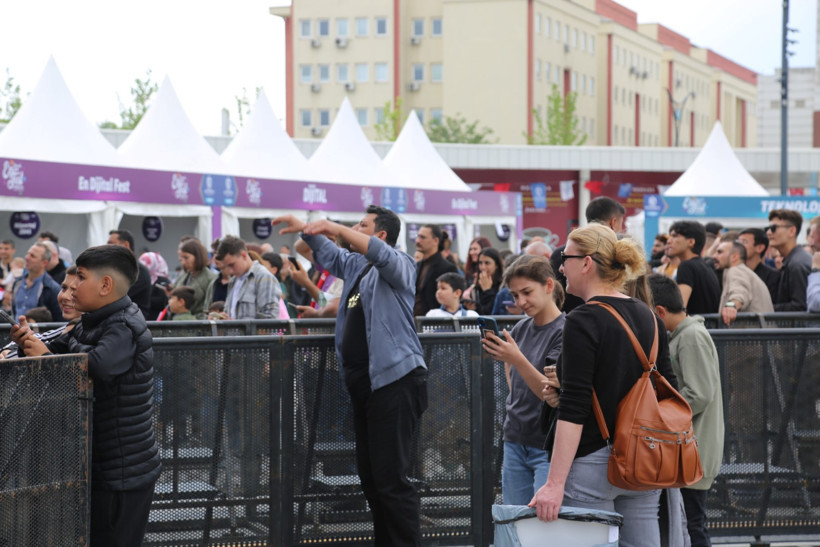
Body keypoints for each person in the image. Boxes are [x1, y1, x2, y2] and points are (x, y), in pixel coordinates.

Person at [273, 207, 428, 546]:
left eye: (363, 225)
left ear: (381, 234)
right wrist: (309, 230)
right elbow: (327, 253)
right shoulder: (357, 266)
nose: (354, 229)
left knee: (391, 480)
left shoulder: (400, 264)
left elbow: (376, 251)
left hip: (396, 383)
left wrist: (332, 226)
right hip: (366, 387)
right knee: (371, 478)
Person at [531, 223, 678, 547]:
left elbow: (575, 407)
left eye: (566, 257)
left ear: (586, 263)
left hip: (593, 459)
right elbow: (668, 387)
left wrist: (554, 483)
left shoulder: (584, 319)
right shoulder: (649, 316)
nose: (560, 266)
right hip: (645, 456)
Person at [11, 245, 161, 546]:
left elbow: (98, 365)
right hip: (100, 465)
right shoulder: (93, 320)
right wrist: (28, 346)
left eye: (80, 277)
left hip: (123, 473)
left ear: (105, 285)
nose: (73, 287)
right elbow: (62, 350)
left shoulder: (124, 325)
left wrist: (48, 357)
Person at [481, 254, 565, 505]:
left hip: (546, 443)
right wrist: (511, 359)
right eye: (516, 295)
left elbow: (549, 394)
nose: (521, 301)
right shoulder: (520, 328)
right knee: (515, 521)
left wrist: (516, 359)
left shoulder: (565, 330)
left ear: (549, 285)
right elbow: (513, 379)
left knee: (542, 523)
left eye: (527, 292)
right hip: (515, 437)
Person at [648, 274, 724, 547]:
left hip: (694, 452)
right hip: (689, 450)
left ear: (659, 312)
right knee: (689, 522)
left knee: (692, 524)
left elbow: (699, 395)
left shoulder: (691, 336)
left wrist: (658, 417)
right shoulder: (685, 334)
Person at [551, 196, 626, 313]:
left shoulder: (558, 253)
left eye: (565, 259)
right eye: (622, 224)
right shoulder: (621, 256)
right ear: (613, 222)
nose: (562, 269)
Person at [1, 266, 80, 360]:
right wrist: (14, 348)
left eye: (75, 290)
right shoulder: (66, 330)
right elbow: (42, 339)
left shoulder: (93, 335)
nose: (65, 296)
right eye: (64, 288)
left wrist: (44, 356)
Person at [216, 236, 281, 319]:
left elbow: (269, 321)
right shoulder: (234, 280)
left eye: (232, 265)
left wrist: (235, 325)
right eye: (226, 267)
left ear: (243, 255)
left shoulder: (264, 278)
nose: (230, 271)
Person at [712, 240, 773, 326]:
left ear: (734, 257)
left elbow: (740, 292)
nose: (714, 256)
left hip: (752, 337)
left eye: (720, 252)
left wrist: (730, 305)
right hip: (758, 336)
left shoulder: (736, 270)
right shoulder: (744, 271)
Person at [665, 221, 720, 315]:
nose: (669, 241)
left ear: (691, 242)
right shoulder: (705, 266)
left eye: (675, 236)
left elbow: (680, 308)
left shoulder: (686, 266)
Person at [767, 209, 812, 311]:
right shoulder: (795, 260)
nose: (768, 232)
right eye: (768, 228)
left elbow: (800, 307)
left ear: (792, 231)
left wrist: (766, 309)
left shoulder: (797, 264)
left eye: (774, 228)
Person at [11, 242, 63, 321]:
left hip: (37, 333)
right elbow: (15, 311)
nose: (27, 258)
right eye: (28, 254)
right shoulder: (17, 283)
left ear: (44, 263)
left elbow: (58, 320)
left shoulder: (52, 289)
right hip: (16, 332)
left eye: (32, 256)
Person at [414, 224, 458, 316]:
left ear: (436, 241)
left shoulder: (447, 268)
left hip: (436, 323)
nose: (418, 241)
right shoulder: (416, 266)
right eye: (418, 236)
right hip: (414, 322)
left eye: (422, 237)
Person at [107, 230, 152, 319]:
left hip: (131, 323)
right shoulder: (118, 268)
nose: (107, 247)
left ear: (126, 245)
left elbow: (117, 296)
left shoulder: (138, 270)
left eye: (111, 243)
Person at [169, 238, 217, 318]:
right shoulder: (184, 276)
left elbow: (210, 307)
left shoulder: (210, 278)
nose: (183, 262)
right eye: (182, 259)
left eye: (186, 258)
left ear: (197, 256)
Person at [736, 228, 779, 302]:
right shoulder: (734, 272)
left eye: (744, 242)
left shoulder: (773, 276)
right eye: (737, 242)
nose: (738, 246)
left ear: (760, 248)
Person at [139, 251, 172, 320]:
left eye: (147, 262)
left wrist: (144, 299)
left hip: (158, 320)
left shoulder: (163, 280)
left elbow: (163, 301)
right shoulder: (143, 278)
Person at [471, 247, 503, 315]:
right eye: (480, 263)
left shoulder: (503, 286)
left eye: (487, 263)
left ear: (496, 265)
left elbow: (493, 311)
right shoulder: (475, 289)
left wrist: (487, 291)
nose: (483, 267)